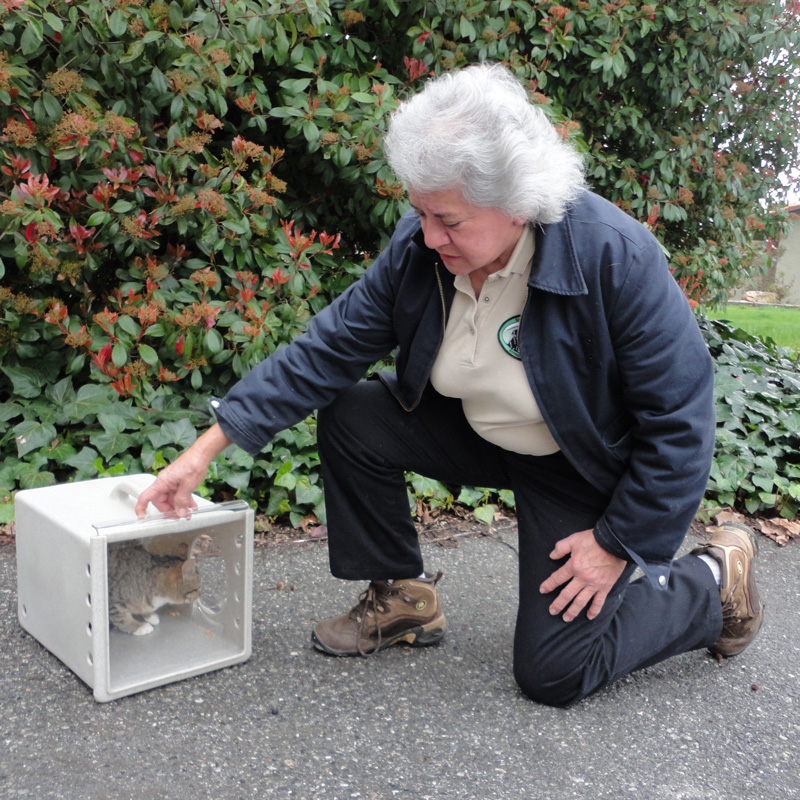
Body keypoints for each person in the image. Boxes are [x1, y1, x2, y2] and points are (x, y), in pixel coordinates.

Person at [135, 63, 764, 707]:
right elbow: (327, 348)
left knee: (555, 675)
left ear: (517, 203)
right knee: (352, 413)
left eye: (450, 221)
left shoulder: (614, 257)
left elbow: (679, 423)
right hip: (478, 430)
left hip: (578, 464)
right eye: (419, 211)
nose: (428, 235)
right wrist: (204, 450)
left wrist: (617, 544)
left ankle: (712, 583)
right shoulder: (422, 247)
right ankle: (405, 596)